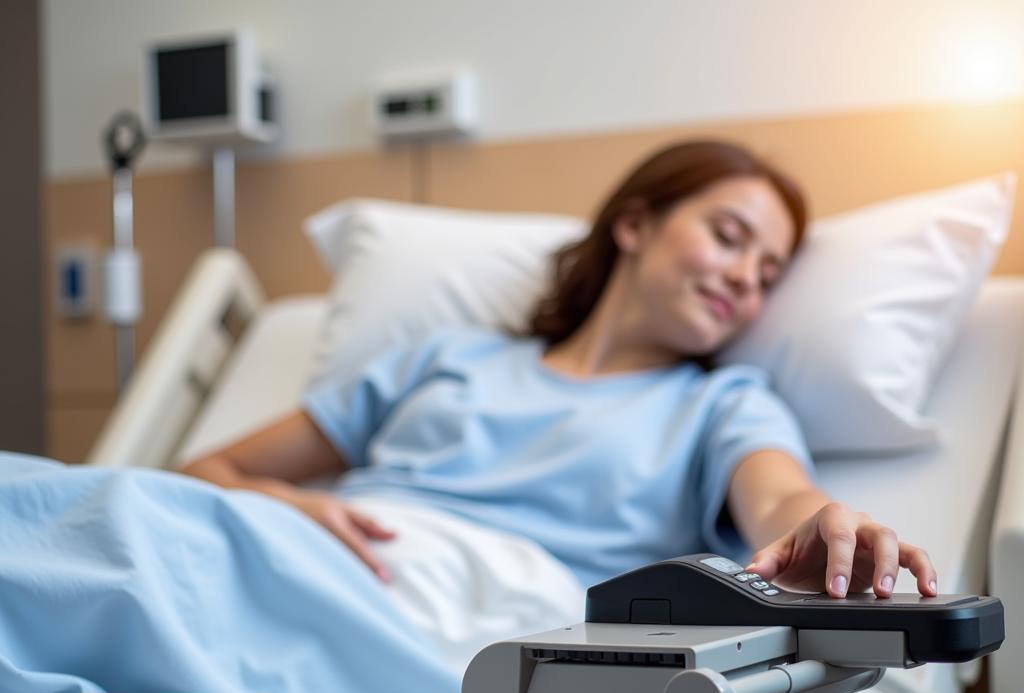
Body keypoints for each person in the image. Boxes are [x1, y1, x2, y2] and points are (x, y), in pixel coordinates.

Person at [181, 139, 937, 603]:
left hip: (486, 614)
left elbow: (781, 501)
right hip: (315, 561)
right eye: (729, 237)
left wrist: (824, 528)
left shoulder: (723, 403)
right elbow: (204, 470)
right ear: (635, 225)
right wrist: (287, 505)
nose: (747, 279)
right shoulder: (448, 358)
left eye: (769, 271)